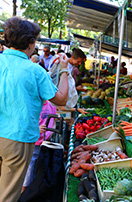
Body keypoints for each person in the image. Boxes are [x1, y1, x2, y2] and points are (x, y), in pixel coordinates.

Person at [0, 16, 69, 202]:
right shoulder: (34, 70)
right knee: (7, 195)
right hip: (17, 139)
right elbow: (61, 99)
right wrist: (64, 70)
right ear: (31, 42)